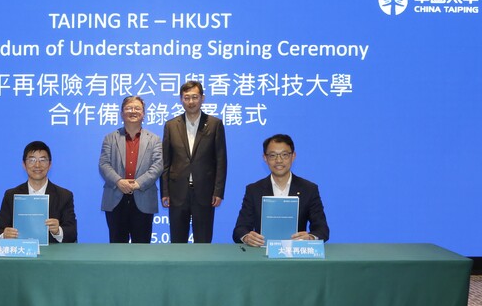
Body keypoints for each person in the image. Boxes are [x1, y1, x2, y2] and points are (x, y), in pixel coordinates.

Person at [161, 80, 227, 243]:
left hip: (205, 192)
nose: (191, 102)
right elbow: (165, 162)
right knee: (178, 241)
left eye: (195, 97)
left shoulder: (214, 124)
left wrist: (218, 191)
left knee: (203, 240)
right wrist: (165, 192)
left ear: (202, 98)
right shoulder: (171, 125)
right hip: (177, 192)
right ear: (181, 99)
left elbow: (221, 159)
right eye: (186, 97)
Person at [233, 134, 329, 246]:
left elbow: (322, 229)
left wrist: (310, 237)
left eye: (284, 155)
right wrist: (247, 237)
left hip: (296, 255)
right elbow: (240, 229)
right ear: (265, 158)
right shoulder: (254, 190)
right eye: (273, 155)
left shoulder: (309, 189)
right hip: (262, 254)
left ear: (293, 156)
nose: (279, 160)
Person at [99, 96, 163, 243]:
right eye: (128, 108)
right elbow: (104, 164)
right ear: (122, 113)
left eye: (137, 108)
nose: (133, 111)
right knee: (117, 246)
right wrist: (119, 181)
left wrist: (138, 183)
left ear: (144, 113)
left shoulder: (154, 139)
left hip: (143, 197)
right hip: (116, 198)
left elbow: (158, 165)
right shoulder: (110, 138)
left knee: (142, 248)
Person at [0, 140, 77, 243]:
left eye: (43, 160)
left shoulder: (64, 195)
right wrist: (4, 235)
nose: (37, 165)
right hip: (21, 255)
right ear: (24, 164)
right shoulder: (11, 195)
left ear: (50, 164)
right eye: (32, 160)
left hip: (53, 256)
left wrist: (58, 231)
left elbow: (72, 233)